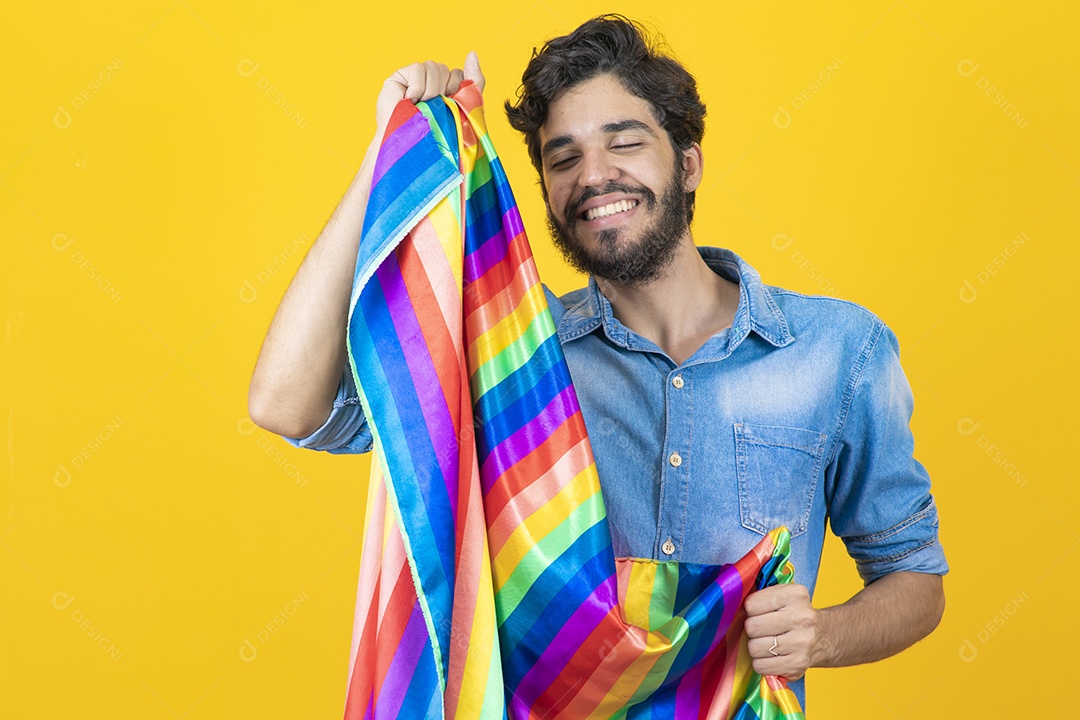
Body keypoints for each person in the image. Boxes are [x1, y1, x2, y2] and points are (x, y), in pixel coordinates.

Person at [248, 15, 947, 708]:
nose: (594, 176)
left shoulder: (839, 350)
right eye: (563, 158)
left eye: (625, 142)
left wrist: (823, 636)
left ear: (689, 162)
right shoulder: (514, 363)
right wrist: (389, 153)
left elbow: (914, 580)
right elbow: (285, 403)